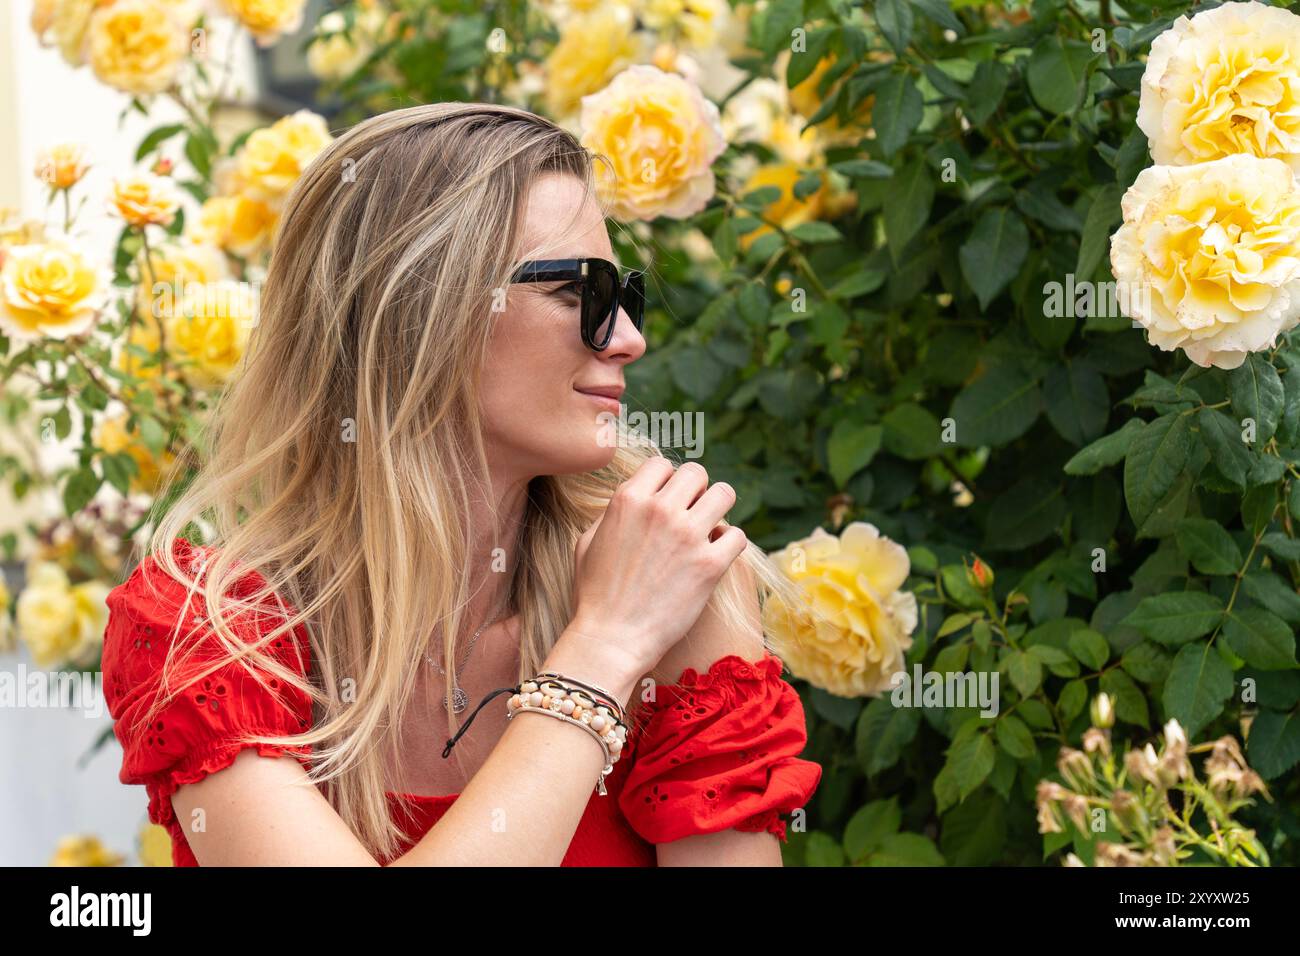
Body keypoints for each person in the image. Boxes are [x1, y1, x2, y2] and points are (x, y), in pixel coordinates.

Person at [101, 102, 822, 866]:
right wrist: (605, 648)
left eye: (626, 298)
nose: (629, 340)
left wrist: (623, 628)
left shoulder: (673, 584)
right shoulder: (210, 631)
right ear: (419, 308)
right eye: (581, 294)